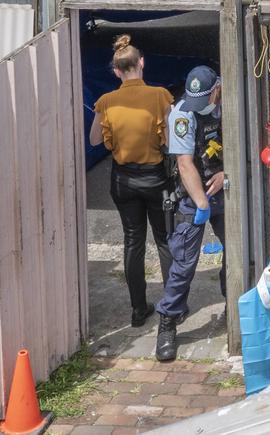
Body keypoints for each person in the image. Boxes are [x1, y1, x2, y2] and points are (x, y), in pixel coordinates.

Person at [89, 34, 173, 327]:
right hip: (156, 178)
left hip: (123, 180)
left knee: (133, 242)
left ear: (116, 72)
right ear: (142, 63)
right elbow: (172, 139)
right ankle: (172, 306)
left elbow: (95, 139)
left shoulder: (106, 101)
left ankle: (138, 309)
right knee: (164, 240)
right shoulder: (160, 95)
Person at [155, 65, 225, 362]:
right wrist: (202, 203)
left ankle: (234, 308)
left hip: (224, 188)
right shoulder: (182, 114)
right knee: (183, 262)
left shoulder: (228, 101)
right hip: (192, 196)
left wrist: (226, 173)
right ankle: (168, 322)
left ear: (216, 89)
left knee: (238, 253)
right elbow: (184, 163)